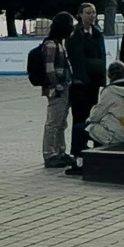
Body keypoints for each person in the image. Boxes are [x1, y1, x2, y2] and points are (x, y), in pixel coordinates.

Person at [67, 1, 108, 171]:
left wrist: (102, 81)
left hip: (94, 83)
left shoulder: (98, 34)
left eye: (93, 12)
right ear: (80, 15)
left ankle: (92, 149)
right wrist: (81, 79)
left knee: (93, 116)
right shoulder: (74, 35)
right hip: (80, 84)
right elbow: (76, 60)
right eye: (88, 12)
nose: (91, 16)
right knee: (79, 118)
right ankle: (78, 152)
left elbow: (102, 57)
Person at [39, 12, 74, 169]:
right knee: (53, 123)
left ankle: (60, 151)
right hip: (57, 89)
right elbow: (49, 68)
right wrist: (57, 84)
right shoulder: (51, 45)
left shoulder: (59, 43)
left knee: (61, 122)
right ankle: (49, 153)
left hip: (65, 87)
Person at [84, 63, 124, 151]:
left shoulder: (110, 91)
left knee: (82, 128)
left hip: (118, 134)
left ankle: (80, 160)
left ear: (109, 75)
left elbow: (95, 116)